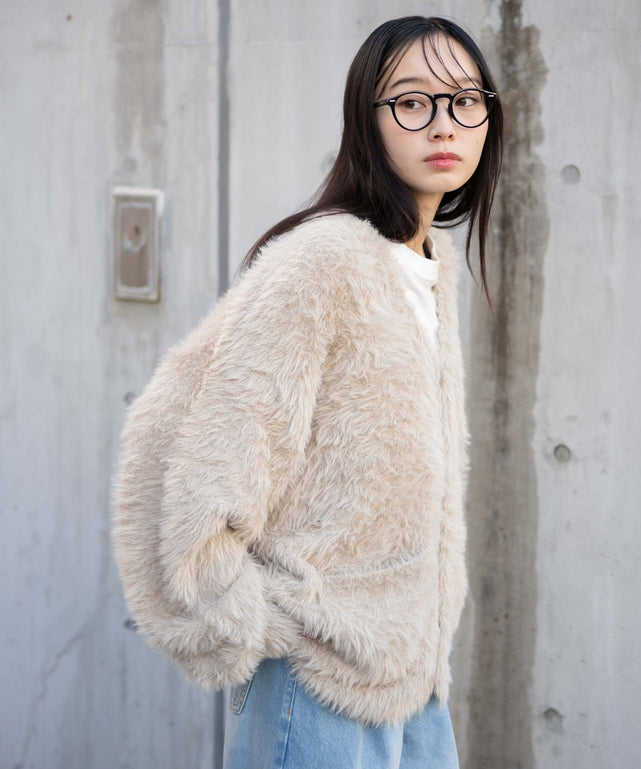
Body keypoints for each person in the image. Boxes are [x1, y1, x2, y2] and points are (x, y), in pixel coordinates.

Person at [113, 14, 503, 769]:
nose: (442, 123)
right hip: (317, 678)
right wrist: (243, 615)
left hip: (414, 677)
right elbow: (176, 426)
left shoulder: (430, 263)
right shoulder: (321, 259)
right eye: (411, 101)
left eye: (464, 100)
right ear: (368, 119)